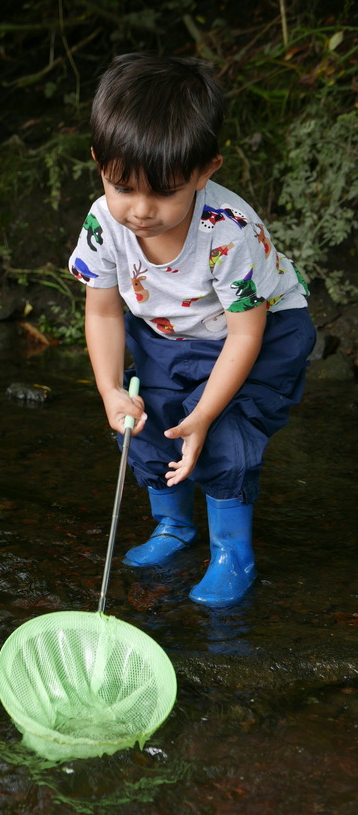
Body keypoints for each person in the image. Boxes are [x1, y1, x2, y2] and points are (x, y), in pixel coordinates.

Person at [68, 54, 316, 607]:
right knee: (146, 420)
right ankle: (173, 527)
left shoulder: (227, 232)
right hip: (168, 330)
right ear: (99, 162)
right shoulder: (104, 221)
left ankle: (233, 551)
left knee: (222, 432)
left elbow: (245, 336)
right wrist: (110, 390)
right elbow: (104, 312)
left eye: (163, 193)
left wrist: (203, 414)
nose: (140, 210)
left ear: (205, 171)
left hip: (258, 334)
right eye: (121, 186)